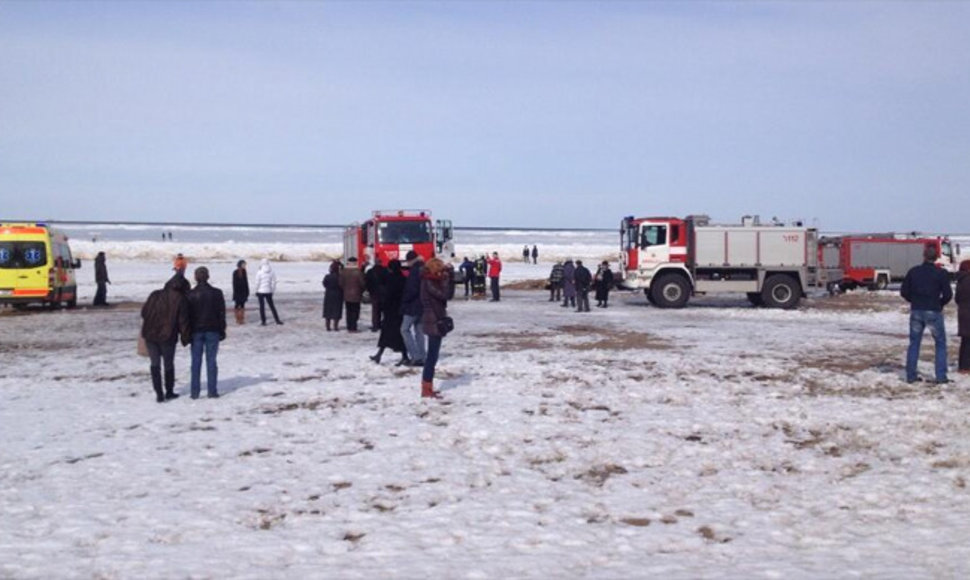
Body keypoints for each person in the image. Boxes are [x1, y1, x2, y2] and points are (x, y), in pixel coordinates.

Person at [900, 245, 953, 384]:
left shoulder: (913, 272)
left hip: (917, 310)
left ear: (924, 256)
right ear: (936, 258)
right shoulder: (941, 273)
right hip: (934, 310)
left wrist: (914, 300)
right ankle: (941, 376)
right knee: (940, 343)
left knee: (914, 343)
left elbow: (904, 291)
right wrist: (940, 303)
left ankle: (911, 376)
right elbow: (948, 294)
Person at [140, 274, 192, 403]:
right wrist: (186, 338)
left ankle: (159, 393)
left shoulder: (154, 294)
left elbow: (144, 312)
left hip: (150, 335)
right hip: (168, 336)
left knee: (154, 364)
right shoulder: (180, 299)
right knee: (168, 364)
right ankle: (169, 391)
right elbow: (183, 321)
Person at [187, 267, 227, 399]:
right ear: (208, 277)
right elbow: (221, 314)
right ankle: (212, 391)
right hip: (213, 329)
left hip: (196, 331)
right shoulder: (216, 293)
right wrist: (222, 329)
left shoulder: (191, 294)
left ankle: (195, 392)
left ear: (196, 277)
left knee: (196, 362)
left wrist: (186, 333)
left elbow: (187, 316)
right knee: (211, 361)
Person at [420, 257, 451, 398]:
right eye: (440, 270)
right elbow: (444, 295)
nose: (442, 272)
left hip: (433, 319)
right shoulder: (429, 282)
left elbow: (447, 295)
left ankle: (427, 386)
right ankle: (426, 388)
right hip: (433, 321)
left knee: (433, 355)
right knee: (432, 356)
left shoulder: (430, 281)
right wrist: (447, 279)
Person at [370, 259, 408, 365]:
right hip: (400, 310)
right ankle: (380, 354)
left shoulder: (390, 280)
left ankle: (402, 355)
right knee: (398, 333)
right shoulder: (403, 279)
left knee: (387, 333)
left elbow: (387, 295)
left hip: (390, 310)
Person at [400, 251, 426, 367]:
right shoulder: (423, 269)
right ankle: (422, 356)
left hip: (412, 305)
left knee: (404, 329)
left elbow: (411, 289)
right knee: (419, 331)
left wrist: (404, 301)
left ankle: (416, 357)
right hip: (423, 305)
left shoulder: (414, 271)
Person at [339, 257, 366, 332]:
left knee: (349, 311)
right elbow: (362, 283)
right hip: (356, 294)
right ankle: (353, 327)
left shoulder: (344, 272)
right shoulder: (358, 272)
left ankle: (349, 326)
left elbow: (340, 283)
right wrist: (362, 290)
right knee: (355, 311)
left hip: (347, 294)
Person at [255, 258, 283, 325]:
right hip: (269, 291)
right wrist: (272, 290)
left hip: (260, 291)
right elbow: (274, 282)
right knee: (272, 306)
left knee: (262, 307)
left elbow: (257, 282)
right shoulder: (272, 271)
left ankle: (263, 321)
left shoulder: (259, 272)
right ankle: (277, 320)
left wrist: (256, 290)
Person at [956, 260, 970, 375]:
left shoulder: (960, 281)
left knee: (965, 341)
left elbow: (957, 298)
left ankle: (963, 366)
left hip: (963, 313)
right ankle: (966, 366)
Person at [365, 260, 388, 332]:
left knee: (375, 310)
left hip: (374, 293)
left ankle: (375, 325)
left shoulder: (370, 272)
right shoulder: (385, 271)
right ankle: (384, 324)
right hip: (384, 293)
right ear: (381, 263)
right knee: (385, 310)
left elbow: (367, 282)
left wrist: (369, 290)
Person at [322, 261, 343, 331]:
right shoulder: (340, 277)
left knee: (328, 310)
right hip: (338, 295)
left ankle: (328, 326)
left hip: (329, 294)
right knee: (337, 310)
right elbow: (342, 285)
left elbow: (324, 284)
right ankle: (335, 326)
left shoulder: (327, 276)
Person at [232, 260, 249, 324]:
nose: (245, 266)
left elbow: (246, 282)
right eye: (243, 264)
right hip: (237, 292)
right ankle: (237, 318)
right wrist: (236, 292)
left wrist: (247, 291)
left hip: (243, 291)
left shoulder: (244, 272)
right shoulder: (235, 272)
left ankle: (241, 318)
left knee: (242, 305)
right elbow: (234, 283)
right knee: (237, 305)